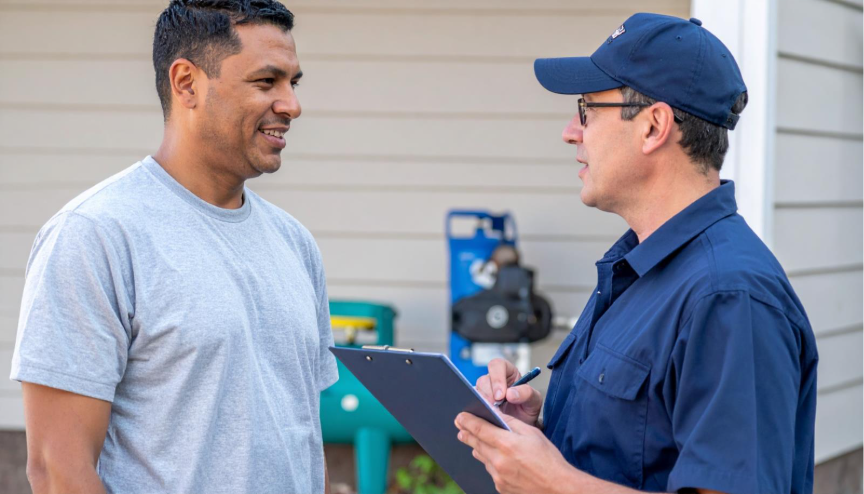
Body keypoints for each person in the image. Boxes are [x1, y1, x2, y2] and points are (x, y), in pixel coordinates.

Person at [455, 13, 818, 494]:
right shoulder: (640, 270)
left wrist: (552, 483)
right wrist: (537, 433)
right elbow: (638, 451)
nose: (571, 131)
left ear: (653, 126)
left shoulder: (728, 296)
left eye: (587, 110)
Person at [10, 1, 338, 493]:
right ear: (187, 83)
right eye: (266, 82)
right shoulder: (96, 235)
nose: (291, 105)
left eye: (293, 83)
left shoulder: (295, 244)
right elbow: (58, 470)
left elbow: (302, 440)